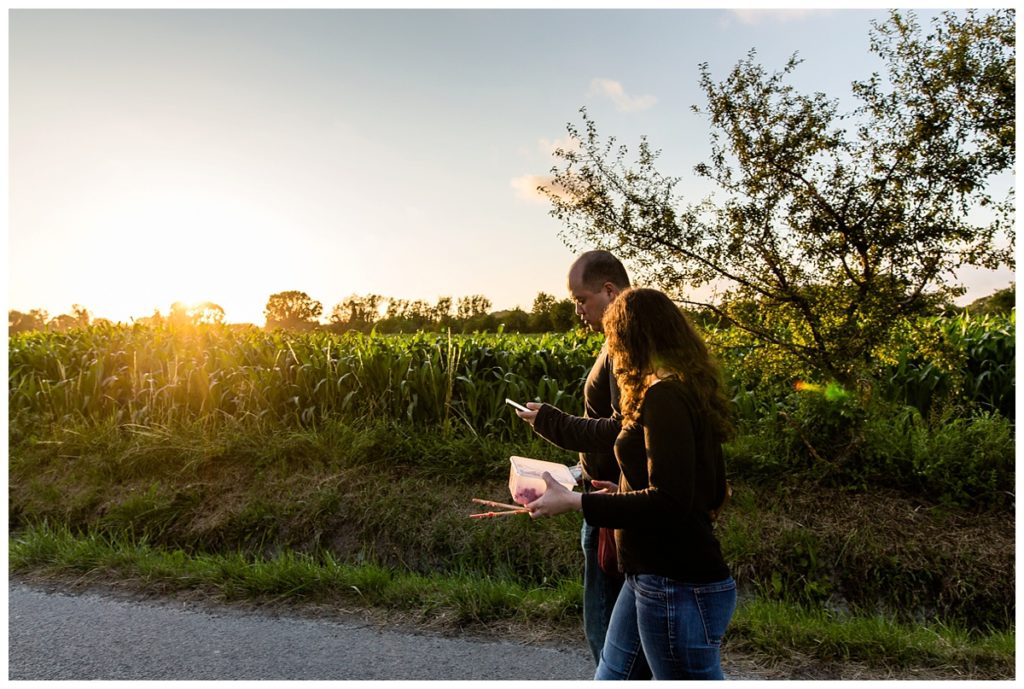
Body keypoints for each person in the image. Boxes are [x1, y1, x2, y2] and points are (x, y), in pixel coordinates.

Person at [524, 287, 736, 680]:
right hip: (648, 575)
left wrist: (576, 502)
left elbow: (670, 501)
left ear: (630, 338)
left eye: (615, 339)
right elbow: (700, 489)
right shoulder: (673, 390)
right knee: (613, 678)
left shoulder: (666, 397)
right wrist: (620, 493)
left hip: (676, 583)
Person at [514, 249, 630, 666]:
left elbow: (622, 430)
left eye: (581, 299)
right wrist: (577, 471)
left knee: (608, 639)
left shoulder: (624, 348)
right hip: (604, 495)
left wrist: (552, 422)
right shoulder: (615, 344)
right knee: (624, 638)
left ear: (610, 290)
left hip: (614, 508)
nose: (577, 310)